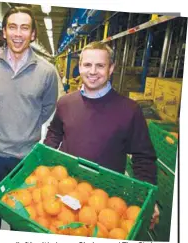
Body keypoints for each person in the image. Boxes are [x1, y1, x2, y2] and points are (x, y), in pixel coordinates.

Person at [43, 41, 159, 229]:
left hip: (106, 200)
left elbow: (143, 157)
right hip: (67, 189)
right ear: (79, 66)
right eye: (87, 65)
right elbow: (54, 134)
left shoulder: (129, 110)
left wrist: (148, 198)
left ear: (111, 68)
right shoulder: (65, 103)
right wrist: (43, 169)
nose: (93, 71)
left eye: (100, 65)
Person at [0, 6, 59, 229]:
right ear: (4, 32)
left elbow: (48, 107)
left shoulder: (47, 71)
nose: (18, 33)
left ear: (33, 34)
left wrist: (26, 125)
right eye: (12, 27)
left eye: (25, 28)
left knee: (21, 214)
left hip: (26, 155)